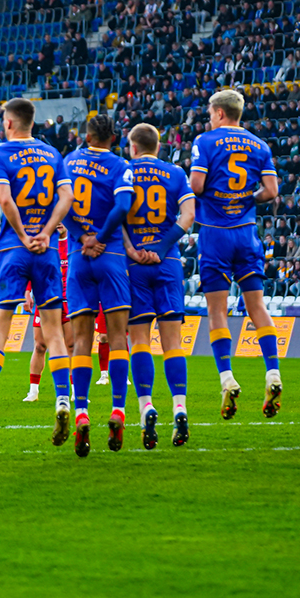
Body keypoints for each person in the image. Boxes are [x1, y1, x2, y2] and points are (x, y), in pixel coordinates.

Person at [0, 98, 74, 448]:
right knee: (54, 332)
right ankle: (63, 400)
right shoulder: (53, 155)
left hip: (14, 250)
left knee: (0, 327)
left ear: (9, 123)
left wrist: (24, 235)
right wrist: (46, 232)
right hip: (47, 252)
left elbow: (5, 201)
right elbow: (67, 198)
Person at [190, 90, 283, 420]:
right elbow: (272, 191)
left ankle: (227, 378)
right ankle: (273, 373)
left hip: (215, 233)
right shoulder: (259, 145)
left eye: (209, 113)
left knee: (217, 310)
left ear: (219, 113)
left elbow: (196, 185)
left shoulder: (205, 141)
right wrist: (246, 199)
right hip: (246, 232)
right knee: (257, 306)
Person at [64, 114, 135, 457]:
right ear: (114, 138)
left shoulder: (69, 161)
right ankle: (118, 409)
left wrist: (82, 238)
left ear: (87, 136)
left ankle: (80, 412)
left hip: (79, 258)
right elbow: (123, 205)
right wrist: (101, 238)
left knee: (81, 340)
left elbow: (60, 204)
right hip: (112, 256)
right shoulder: (120, 166)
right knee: (118, 337)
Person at [122, 124, 196, 449]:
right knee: (173, 342)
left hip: (134, 264)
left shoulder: (123, 172)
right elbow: (189, 215)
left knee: (139, 340)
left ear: (134, 147)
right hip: (168, 264)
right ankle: (179, 407)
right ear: (158, 145)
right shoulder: (176, 173)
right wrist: (163, 247)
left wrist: (131, 250)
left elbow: (116, 217)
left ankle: (146, 407)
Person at [22, 223, 74, 403]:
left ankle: (75, 391)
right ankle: (33, 391)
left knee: (71, 346)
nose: (59, 223)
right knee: (39, 346)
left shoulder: (74, 243)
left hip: (69, 301)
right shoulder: (44, 244)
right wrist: (27, 292)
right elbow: (32, 269)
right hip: (46, 300)